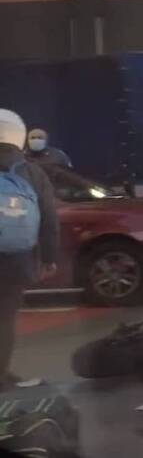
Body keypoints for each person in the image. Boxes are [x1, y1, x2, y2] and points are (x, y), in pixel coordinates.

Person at [0, 110, 59, 391]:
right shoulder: (31, 171)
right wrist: (49, 257)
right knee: (6, 316)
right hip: (17, 258)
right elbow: (48, 217)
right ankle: (1, 375)